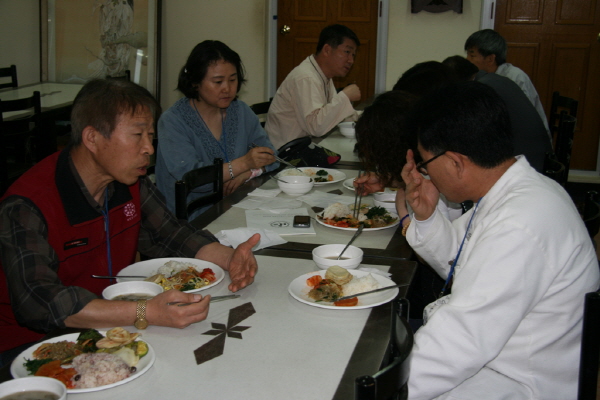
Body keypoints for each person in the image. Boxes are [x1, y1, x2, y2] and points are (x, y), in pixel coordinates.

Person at [0, 79, 260, 366]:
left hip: (112, 327)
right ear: (92, 138)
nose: (149, 148)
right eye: (137, 135)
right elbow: (39, 301)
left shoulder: (127, 181)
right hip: (35, 349)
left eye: (150, 135)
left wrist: (230, 257)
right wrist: (143, 311)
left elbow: (169, 233)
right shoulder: (28, 204)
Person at [401, 81, 599, 399]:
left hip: (519, 378)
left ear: (456, 162)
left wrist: (383, 389)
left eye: (426, 164)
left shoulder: (521, 221)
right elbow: (461, 259)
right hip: (498, 351)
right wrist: (426, 216)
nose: (426, 174)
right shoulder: (513, 191)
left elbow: (462, 340)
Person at [155, 40, 278, 220]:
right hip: (190, 218)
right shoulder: (173, 121)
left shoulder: (241, 111)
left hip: (236, 206)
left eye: (233, 80)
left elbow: (272, 156)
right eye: (218, 81)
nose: (227, 89)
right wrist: (243, 164)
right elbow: (191, 180)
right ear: (195, 82)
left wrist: (247, 173)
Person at [443, 55, 552, 172]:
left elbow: (476, 134)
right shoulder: (495, 79)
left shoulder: (481, 90)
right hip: (538, 154)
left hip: (527, 163)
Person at [265, 24, 361, 149]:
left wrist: (368, 116)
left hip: (305, 148)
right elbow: (316, 127)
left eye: (353, 55)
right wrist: (345, 96)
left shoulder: (323, 76)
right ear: (327, 50)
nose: (351, 60)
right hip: (285, 155)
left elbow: (334, 115)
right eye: (347, 52)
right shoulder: (306, 78)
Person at [464, 29, 550, 136]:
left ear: (490, 59)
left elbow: (519, 119)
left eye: (472, 56)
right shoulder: (482, 77)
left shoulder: (514, 77)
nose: (467, 60)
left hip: (527, 140)